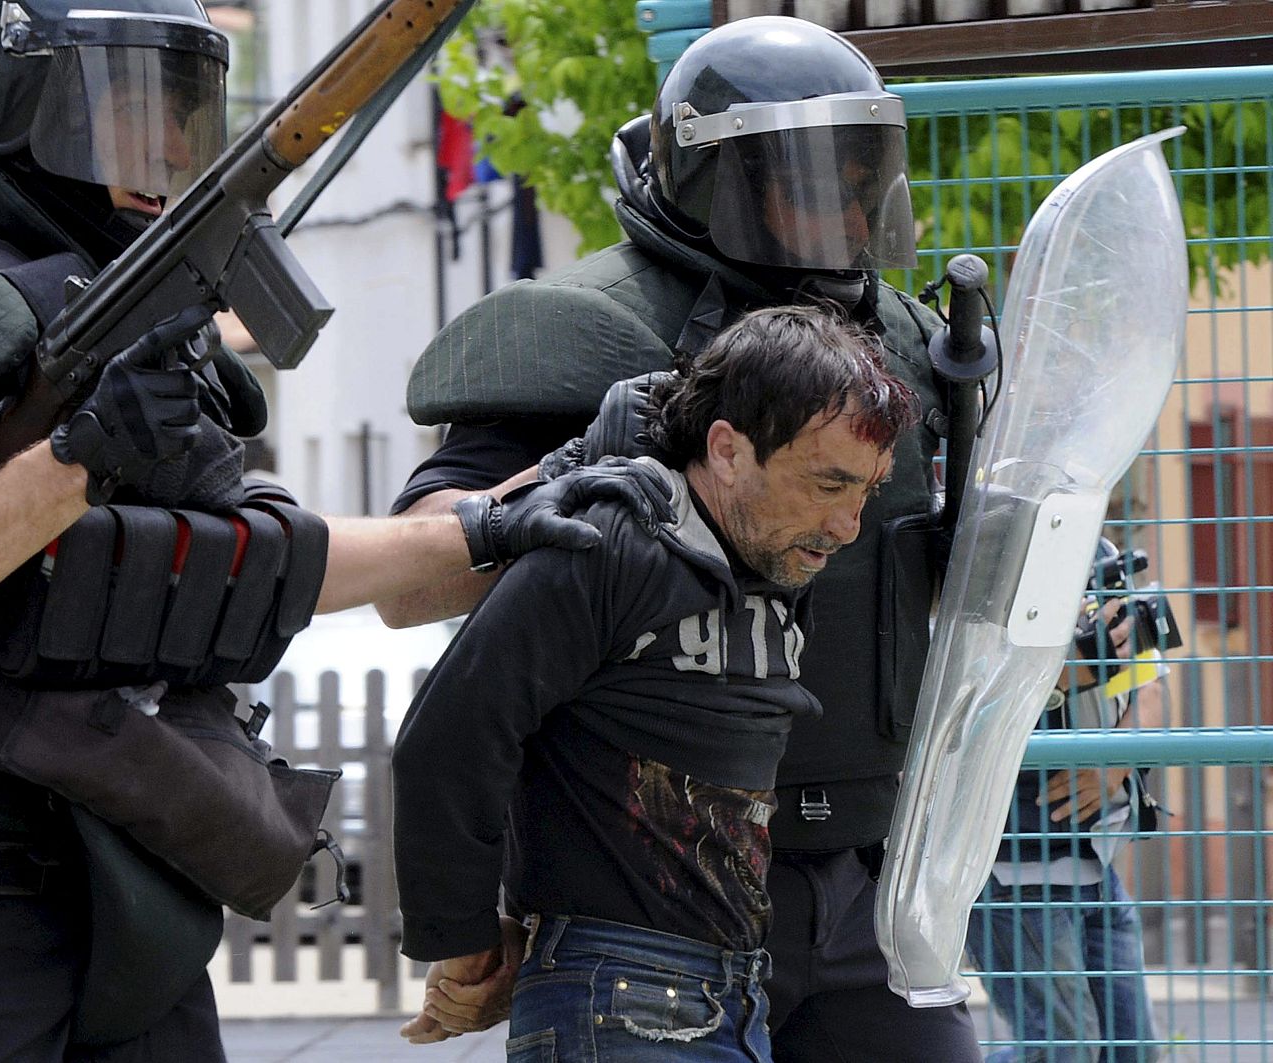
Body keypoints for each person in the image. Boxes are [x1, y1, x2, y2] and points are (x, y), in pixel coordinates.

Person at [0, 2, 670, 1059]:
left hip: (138, 883)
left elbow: (245, 562)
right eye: (124, 114)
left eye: (181, 115)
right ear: (18, 106)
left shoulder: (138, 332)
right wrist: (72, 466)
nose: (166, 153)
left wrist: (495, 522)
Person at [380, 16, 977, 1061]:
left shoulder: (914, 349)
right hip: (641, 906)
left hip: (870, 888)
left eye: (853, 179)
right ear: (717, 178)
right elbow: (418, 565)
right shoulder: (581, 330)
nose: (834, 212)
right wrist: (570, 477)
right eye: (799, 179)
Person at [393, 306, 919, 1062]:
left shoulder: (775, 553)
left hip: (729, 995)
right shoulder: (610, 541)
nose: (846, 524)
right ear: (728, 450)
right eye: (828, 483)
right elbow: (450, 736)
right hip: (616, 995)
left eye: (866, 490)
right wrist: (469, 945)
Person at [967, 538, 1170, 1063]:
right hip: (1011, 864)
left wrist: (1115, 761)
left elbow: (1150, 680)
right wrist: (1077, 669)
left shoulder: (1094, 546)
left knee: (1133, 1053)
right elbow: (969, 696)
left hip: (1097, 856)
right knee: (1064, 1051)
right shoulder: (970, 544)